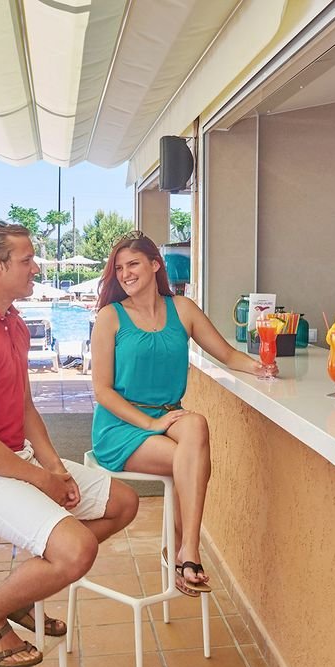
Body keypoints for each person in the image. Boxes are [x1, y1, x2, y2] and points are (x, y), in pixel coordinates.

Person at [0, 221, 139, 667]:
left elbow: (24, 407)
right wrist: (42, 481)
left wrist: (54, 468)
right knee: (77, 550)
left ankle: (24, 588)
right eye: (27, 260)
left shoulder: (13, 323)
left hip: (11, 459)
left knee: (123, 503)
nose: (36, 268)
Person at [90, 232, 268, 597]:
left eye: (133, 264)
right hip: (120, 426)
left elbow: (227, 354)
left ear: (155, 265)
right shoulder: (110, 317)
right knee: (189, 460)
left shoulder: (182, 310)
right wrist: (150, 423)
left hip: (168, 418)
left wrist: (261, 368)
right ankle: (183, 550)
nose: (125, 274)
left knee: (196, 427)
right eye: (119, 268)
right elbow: (102, 391)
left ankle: (185, 548)